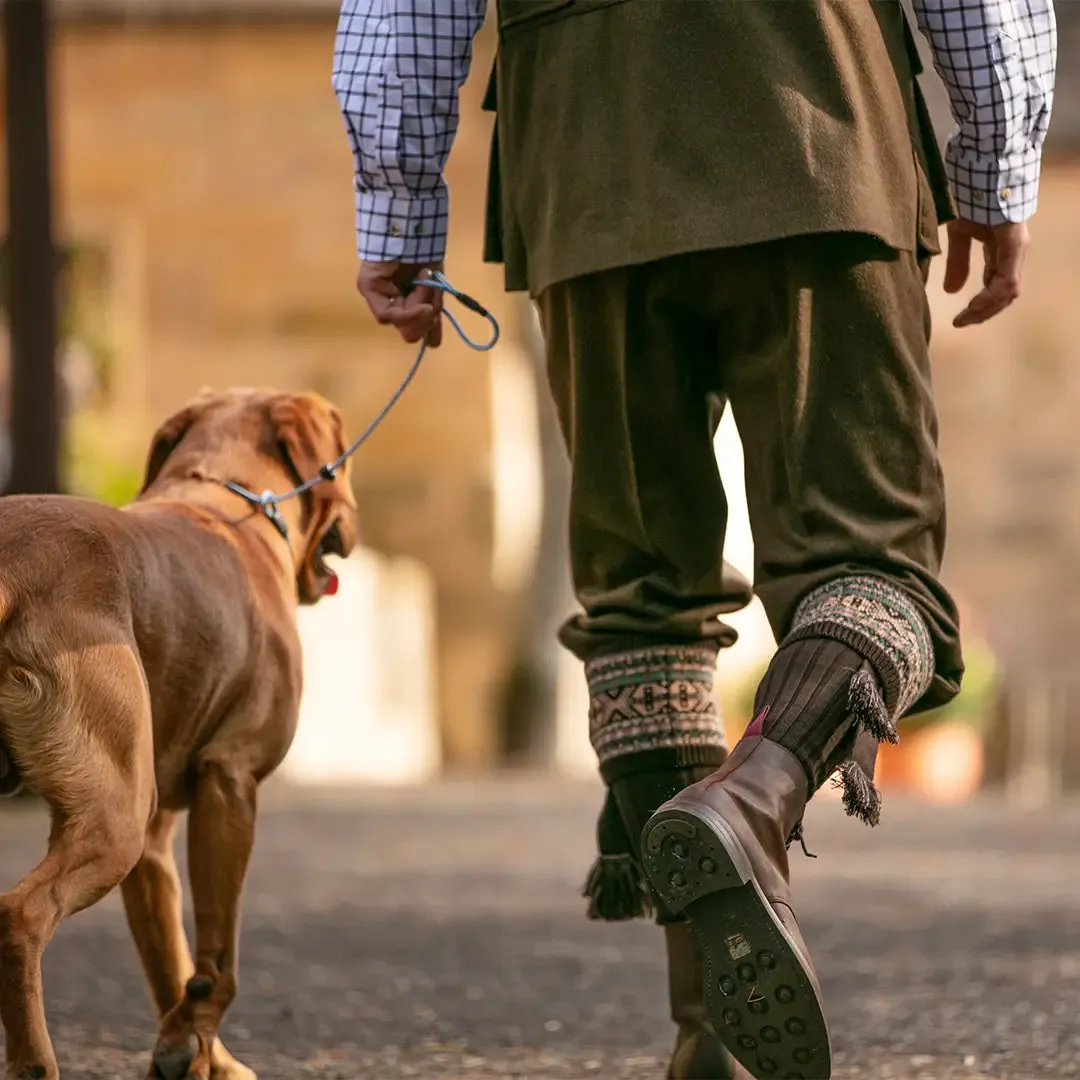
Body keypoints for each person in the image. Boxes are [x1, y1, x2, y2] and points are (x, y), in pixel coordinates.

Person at [333, 2, 1057, 1077]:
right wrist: (998, 163)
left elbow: (406, 9)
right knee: (874, 561)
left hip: (586, 158)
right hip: (821, 128)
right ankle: (753, 797)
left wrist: (397, 213)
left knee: (642, 594)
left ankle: (705, 1024)